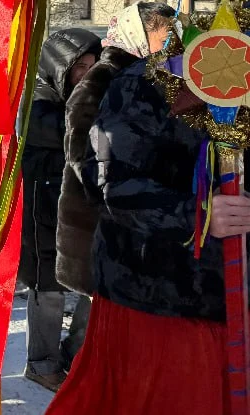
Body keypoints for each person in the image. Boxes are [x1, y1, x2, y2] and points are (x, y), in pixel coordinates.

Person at [44, 50, 239, 415]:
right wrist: (196, 214)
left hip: (233, 304)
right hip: (162, 306)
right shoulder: (156, 78)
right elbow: (106, 180)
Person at [57, 2, 176, 296]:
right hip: (101, 228)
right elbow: (83, 157)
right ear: (138, 35)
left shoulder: (154, 77)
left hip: (136, 225)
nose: (173, 46)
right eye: (167, 38)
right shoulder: (102, 79)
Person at [19, 28, 100, 391]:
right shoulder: (36, 100)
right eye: (79, 66)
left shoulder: (85, 98)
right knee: (48, 288)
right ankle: (42, 363)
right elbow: (73, 135)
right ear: (60, 66)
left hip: (79, 207)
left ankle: (75, 353)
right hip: (44, 208)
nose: (88, 73)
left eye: (93, 65)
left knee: (90, 283)